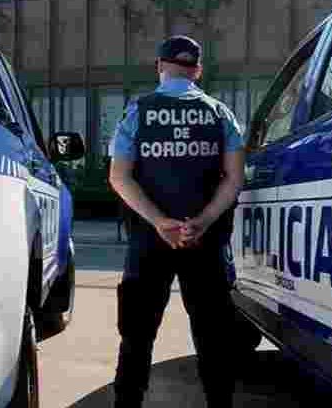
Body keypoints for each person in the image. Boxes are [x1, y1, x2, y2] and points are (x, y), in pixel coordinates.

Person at [108, 35, 245, 408]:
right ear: (197, 71)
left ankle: (128, 404)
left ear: (160, 67)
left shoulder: (137, 112)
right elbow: (234, 178)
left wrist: (159, 221)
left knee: (137, 335)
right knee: (213, 335)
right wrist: (203, 221)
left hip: (149, 242)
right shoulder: (220, 113)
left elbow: (119, 177)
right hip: (206, 241)